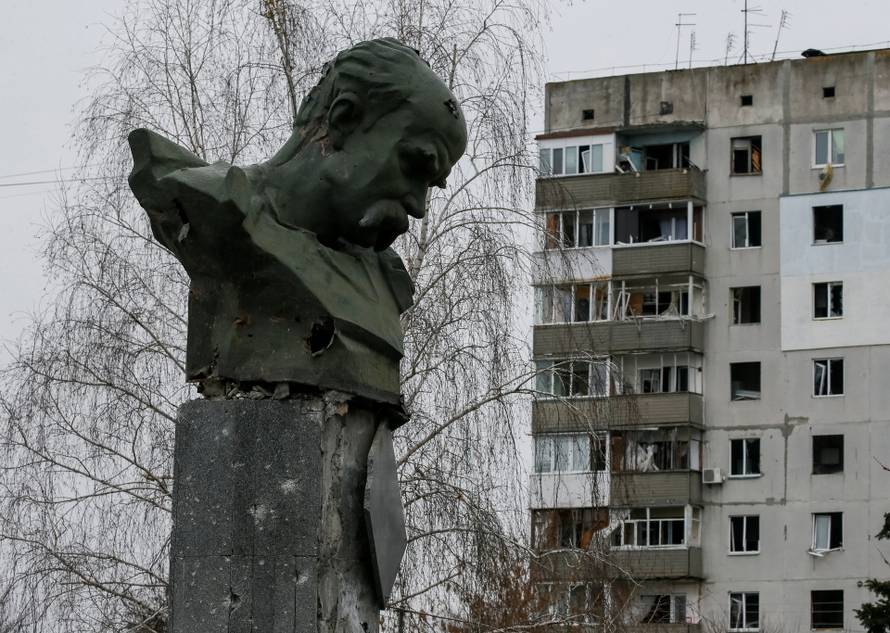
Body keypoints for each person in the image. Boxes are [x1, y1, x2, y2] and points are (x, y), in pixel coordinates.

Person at [127, 38, 467, 404]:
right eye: (415, 166)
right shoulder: (213, 205)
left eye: (432, 185)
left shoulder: (387, 280)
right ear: (344, 119)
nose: (419, 207)